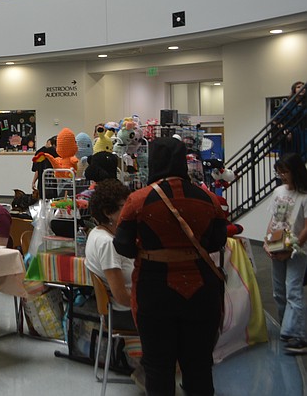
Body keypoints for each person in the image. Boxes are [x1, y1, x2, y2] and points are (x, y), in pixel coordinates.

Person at [113, 137, 228, 396]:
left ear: (154, 161)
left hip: (154, 289)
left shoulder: (137, 201)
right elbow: (217, 241)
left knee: (158, 366)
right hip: (202, 290)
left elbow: (122, 245)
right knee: (199, 365)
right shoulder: (210, 200)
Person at [263, 152, 307, 354]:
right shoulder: (279, 191)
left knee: (293, 291)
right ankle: (286, 330)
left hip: (298, 251)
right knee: (278, 292)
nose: (281, 175)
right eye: (279, 172)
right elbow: (276, 219)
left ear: (296, 171)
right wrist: (267, 239)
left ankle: (300, 335)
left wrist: (293, 248)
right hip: (277, 247)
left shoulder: (305, 195)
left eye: (285, 171)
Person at [84, 178, 135, 331]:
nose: (129, 210)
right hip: (124, 313)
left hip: (123, 310)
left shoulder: (96, 233)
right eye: (125, 206)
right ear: (108, 213)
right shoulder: (107, 244)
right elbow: (121, 296)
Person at [31, 135, 57, 199]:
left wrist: (33, 182)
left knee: (42, 201)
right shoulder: (56, 153)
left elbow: (37, 170)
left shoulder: (39, 153)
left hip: (42, 183)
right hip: (54, 183)